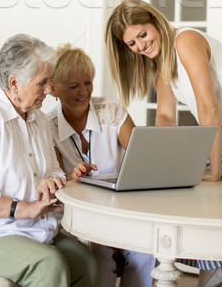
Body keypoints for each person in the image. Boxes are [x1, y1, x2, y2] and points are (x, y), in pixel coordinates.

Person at [105, 0, 222, 287]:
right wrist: (159, 162)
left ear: (155, 21)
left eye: (142, 35)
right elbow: (166, 117)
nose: (140, 46)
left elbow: (209, 108)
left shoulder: (185, 40)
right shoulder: (162, 67)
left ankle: (207, 266)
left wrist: (212, 171)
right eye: (131, 44)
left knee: (183, 182)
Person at [0, 34, 99, 287]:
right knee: (48, 266)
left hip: (26, 228)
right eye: (42, 83)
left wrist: (51, 182)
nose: (49, 90)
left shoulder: (39, 120)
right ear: (14, 83)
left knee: (86, 264)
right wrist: (24, 208)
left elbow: (52, 169)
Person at [47, 43, 156, 287]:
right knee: (101, 258)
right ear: (53, 88)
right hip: (81, 213)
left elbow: (144, 158)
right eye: (73, 86)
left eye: (88, 82)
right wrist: (71, 175)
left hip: (122, 207)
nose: (83, 91)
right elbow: (53, 177)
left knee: (145, 252)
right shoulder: (48, 126)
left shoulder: (112, 111)